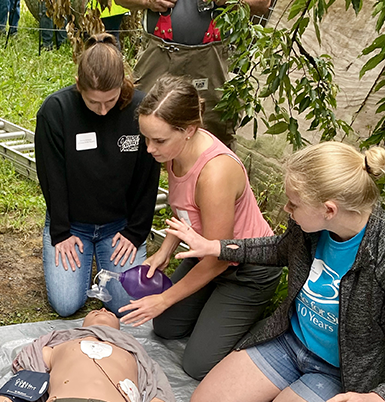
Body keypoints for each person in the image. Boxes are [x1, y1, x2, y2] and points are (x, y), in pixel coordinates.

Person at [164, 141, 385, 402]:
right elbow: (278, 248)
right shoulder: (309, 230)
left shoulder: (379, 254)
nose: (287, 210)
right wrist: (215, 246)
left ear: (329, 209)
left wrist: (377, 395)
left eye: (293, 204)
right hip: (289, 341)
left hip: (341, 372)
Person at [119, 75, 282, 380]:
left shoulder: (215, 174)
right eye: (146, 138)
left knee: (197, 365)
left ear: (189, 130)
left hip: (246, 265)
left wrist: (164, 298)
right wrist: (165, 250)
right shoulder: (172, 152)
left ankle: (270, 327)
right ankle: (214, 307)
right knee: (165, 327)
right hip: (204, 248)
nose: (150, 148)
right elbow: (183, 209)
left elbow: (219, 257)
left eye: (159, 140)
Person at [34, 33, 160, 318]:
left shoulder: (140, 110)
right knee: (66, 304)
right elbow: (52, 177)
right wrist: (61, 232)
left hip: (119, 226)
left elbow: (148, 176)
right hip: (73, 224)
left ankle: (101, 260)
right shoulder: (56, 111)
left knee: (124, 305)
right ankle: (78, 261)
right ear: (79, 87)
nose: (103, 111)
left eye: (111, 101)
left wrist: (135, 232)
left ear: (123, 86)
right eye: (93, 103)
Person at [113, 0, 270, 148]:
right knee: (142, 124)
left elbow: (262, 4)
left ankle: (207, 174)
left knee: (213, 130)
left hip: (210, 61)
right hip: (158, 56)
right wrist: (148, 1)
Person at [0, 308, 176, 402]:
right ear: (83, 325)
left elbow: (157, 388)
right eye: (95, 311)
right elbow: (28, 373)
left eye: (109, 312)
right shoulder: (60, 344)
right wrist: (7, 398)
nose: (103, 310)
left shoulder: (135, 353)